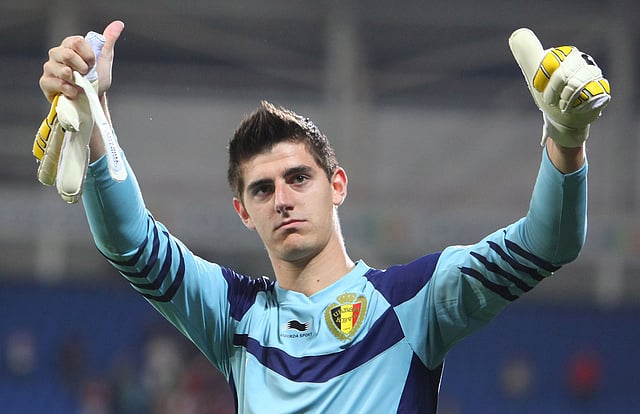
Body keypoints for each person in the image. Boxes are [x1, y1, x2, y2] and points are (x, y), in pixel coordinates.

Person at [37, 20, 610, 413]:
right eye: (262, 190)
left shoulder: (416, 301)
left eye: (298, 178)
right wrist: (96, 121)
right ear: (243, 212)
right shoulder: (233, 316)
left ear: (337, 185)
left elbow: (547, 243)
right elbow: (130, 244)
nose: (282, 198)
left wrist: (565, 139)